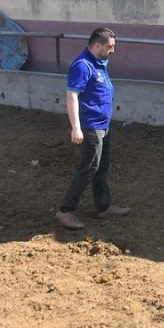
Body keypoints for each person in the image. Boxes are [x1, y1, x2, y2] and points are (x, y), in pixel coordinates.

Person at [56, 27, 130, 230]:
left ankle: (103, 206)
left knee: (101, 166)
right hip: (90, 125)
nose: (113, 50)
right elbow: (72, 96)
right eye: (110, 46)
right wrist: (76, 128)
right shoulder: (82, 66)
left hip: (103, 124)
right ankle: (65, 210)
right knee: (89, 168)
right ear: (98, 45)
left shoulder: (99, 62)